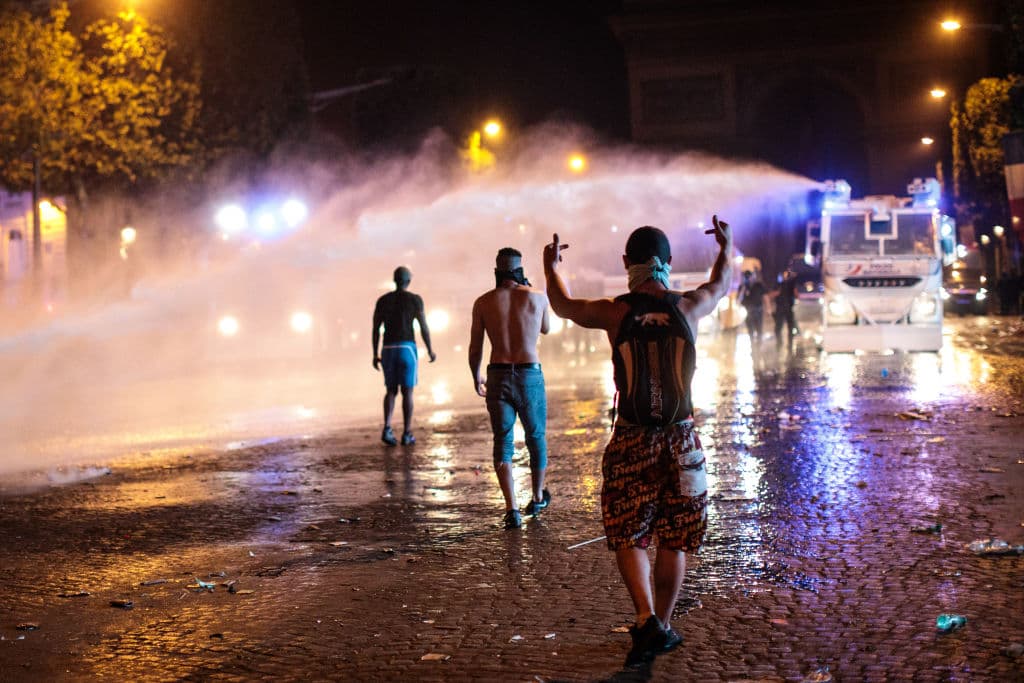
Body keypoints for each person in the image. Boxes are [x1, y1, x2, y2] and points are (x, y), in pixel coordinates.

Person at [543, 218, 732, 668]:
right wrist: (726, 246)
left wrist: (551, 265)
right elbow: (722, 283)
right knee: (675, 537)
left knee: (628, 528)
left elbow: (563, 305)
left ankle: (646, 618)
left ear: (626, 263)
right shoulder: (690, 307)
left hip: (631, 439)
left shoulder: (615, 312)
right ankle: (659, 626)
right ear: (667, 264)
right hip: (682, 439)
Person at [469, 248, 551, 530]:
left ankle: (512, 508)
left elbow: (475, 346)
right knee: (536, 436)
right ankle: (538, 496)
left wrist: (475, 375)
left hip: (498, 374)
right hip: (529, 373)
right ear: (519, 269)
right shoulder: (537, 296)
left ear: (496, 271)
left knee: (502, 439)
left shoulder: (483, 302)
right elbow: (546, 329)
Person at [372, 266, 436, 446]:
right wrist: (430, 349)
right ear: (408, 281)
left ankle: (387, 428)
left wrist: (374, 353)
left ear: (395, 280)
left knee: (391, 390)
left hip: (388, 349)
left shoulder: (383, 300)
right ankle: (407, 433)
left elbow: (376, 329)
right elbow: (423, 326)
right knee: (407, 391)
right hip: (407, 348)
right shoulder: (415, 300)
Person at [738, 269, 767, 345]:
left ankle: (759, 346)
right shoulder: (742, 287)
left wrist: (768, 308)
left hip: (758, 310)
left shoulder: (758, 285)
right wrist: (743, 288)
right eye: (746, 277)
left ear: (752, 277)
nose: (748, 278)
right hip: (748, 311)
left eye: (749, 276)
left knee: (759, 329)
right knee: (750, 330)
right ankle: (753, 347)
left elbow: (765, 296)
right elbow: (738, 300)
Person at [771, 269, 799, 348]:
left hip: (788, 308)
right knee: (778, 328)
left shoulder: (790, 284)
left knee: (790, 328)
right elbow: (772, 294)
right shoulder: (778, 285)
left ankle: (789, 344)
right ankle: (780, 343)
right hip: (780, 308)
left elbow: (796, 294)